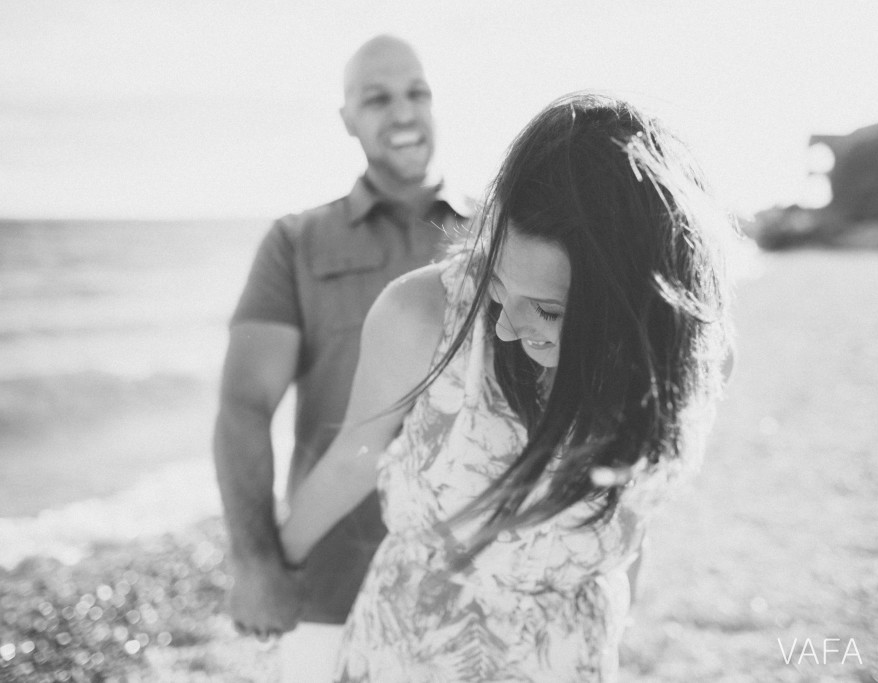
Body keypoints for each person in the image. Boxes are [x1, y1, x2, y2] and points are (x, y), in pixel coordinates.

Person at [280, 92, 737, 681]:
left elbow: (634, 508)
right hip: (412, 653)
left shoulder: (694, 359)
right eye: (497, 282)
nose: (501, 324)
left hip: (571, 657)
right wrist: (272, 564)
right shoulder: (423, 316)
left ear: (635, 307)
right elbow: (355, 455)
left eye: (547, 310)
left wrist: (617, 625)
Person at [212, 35, 473, 682]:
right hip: (329, 590)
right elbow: (245, 406)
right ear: (347, 120)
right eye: (376, 98)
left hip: (474, 585)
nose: (403, 113)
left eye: (417, 92)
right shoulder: (295, 242)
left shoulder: (498, 233)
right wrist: (256, 562)